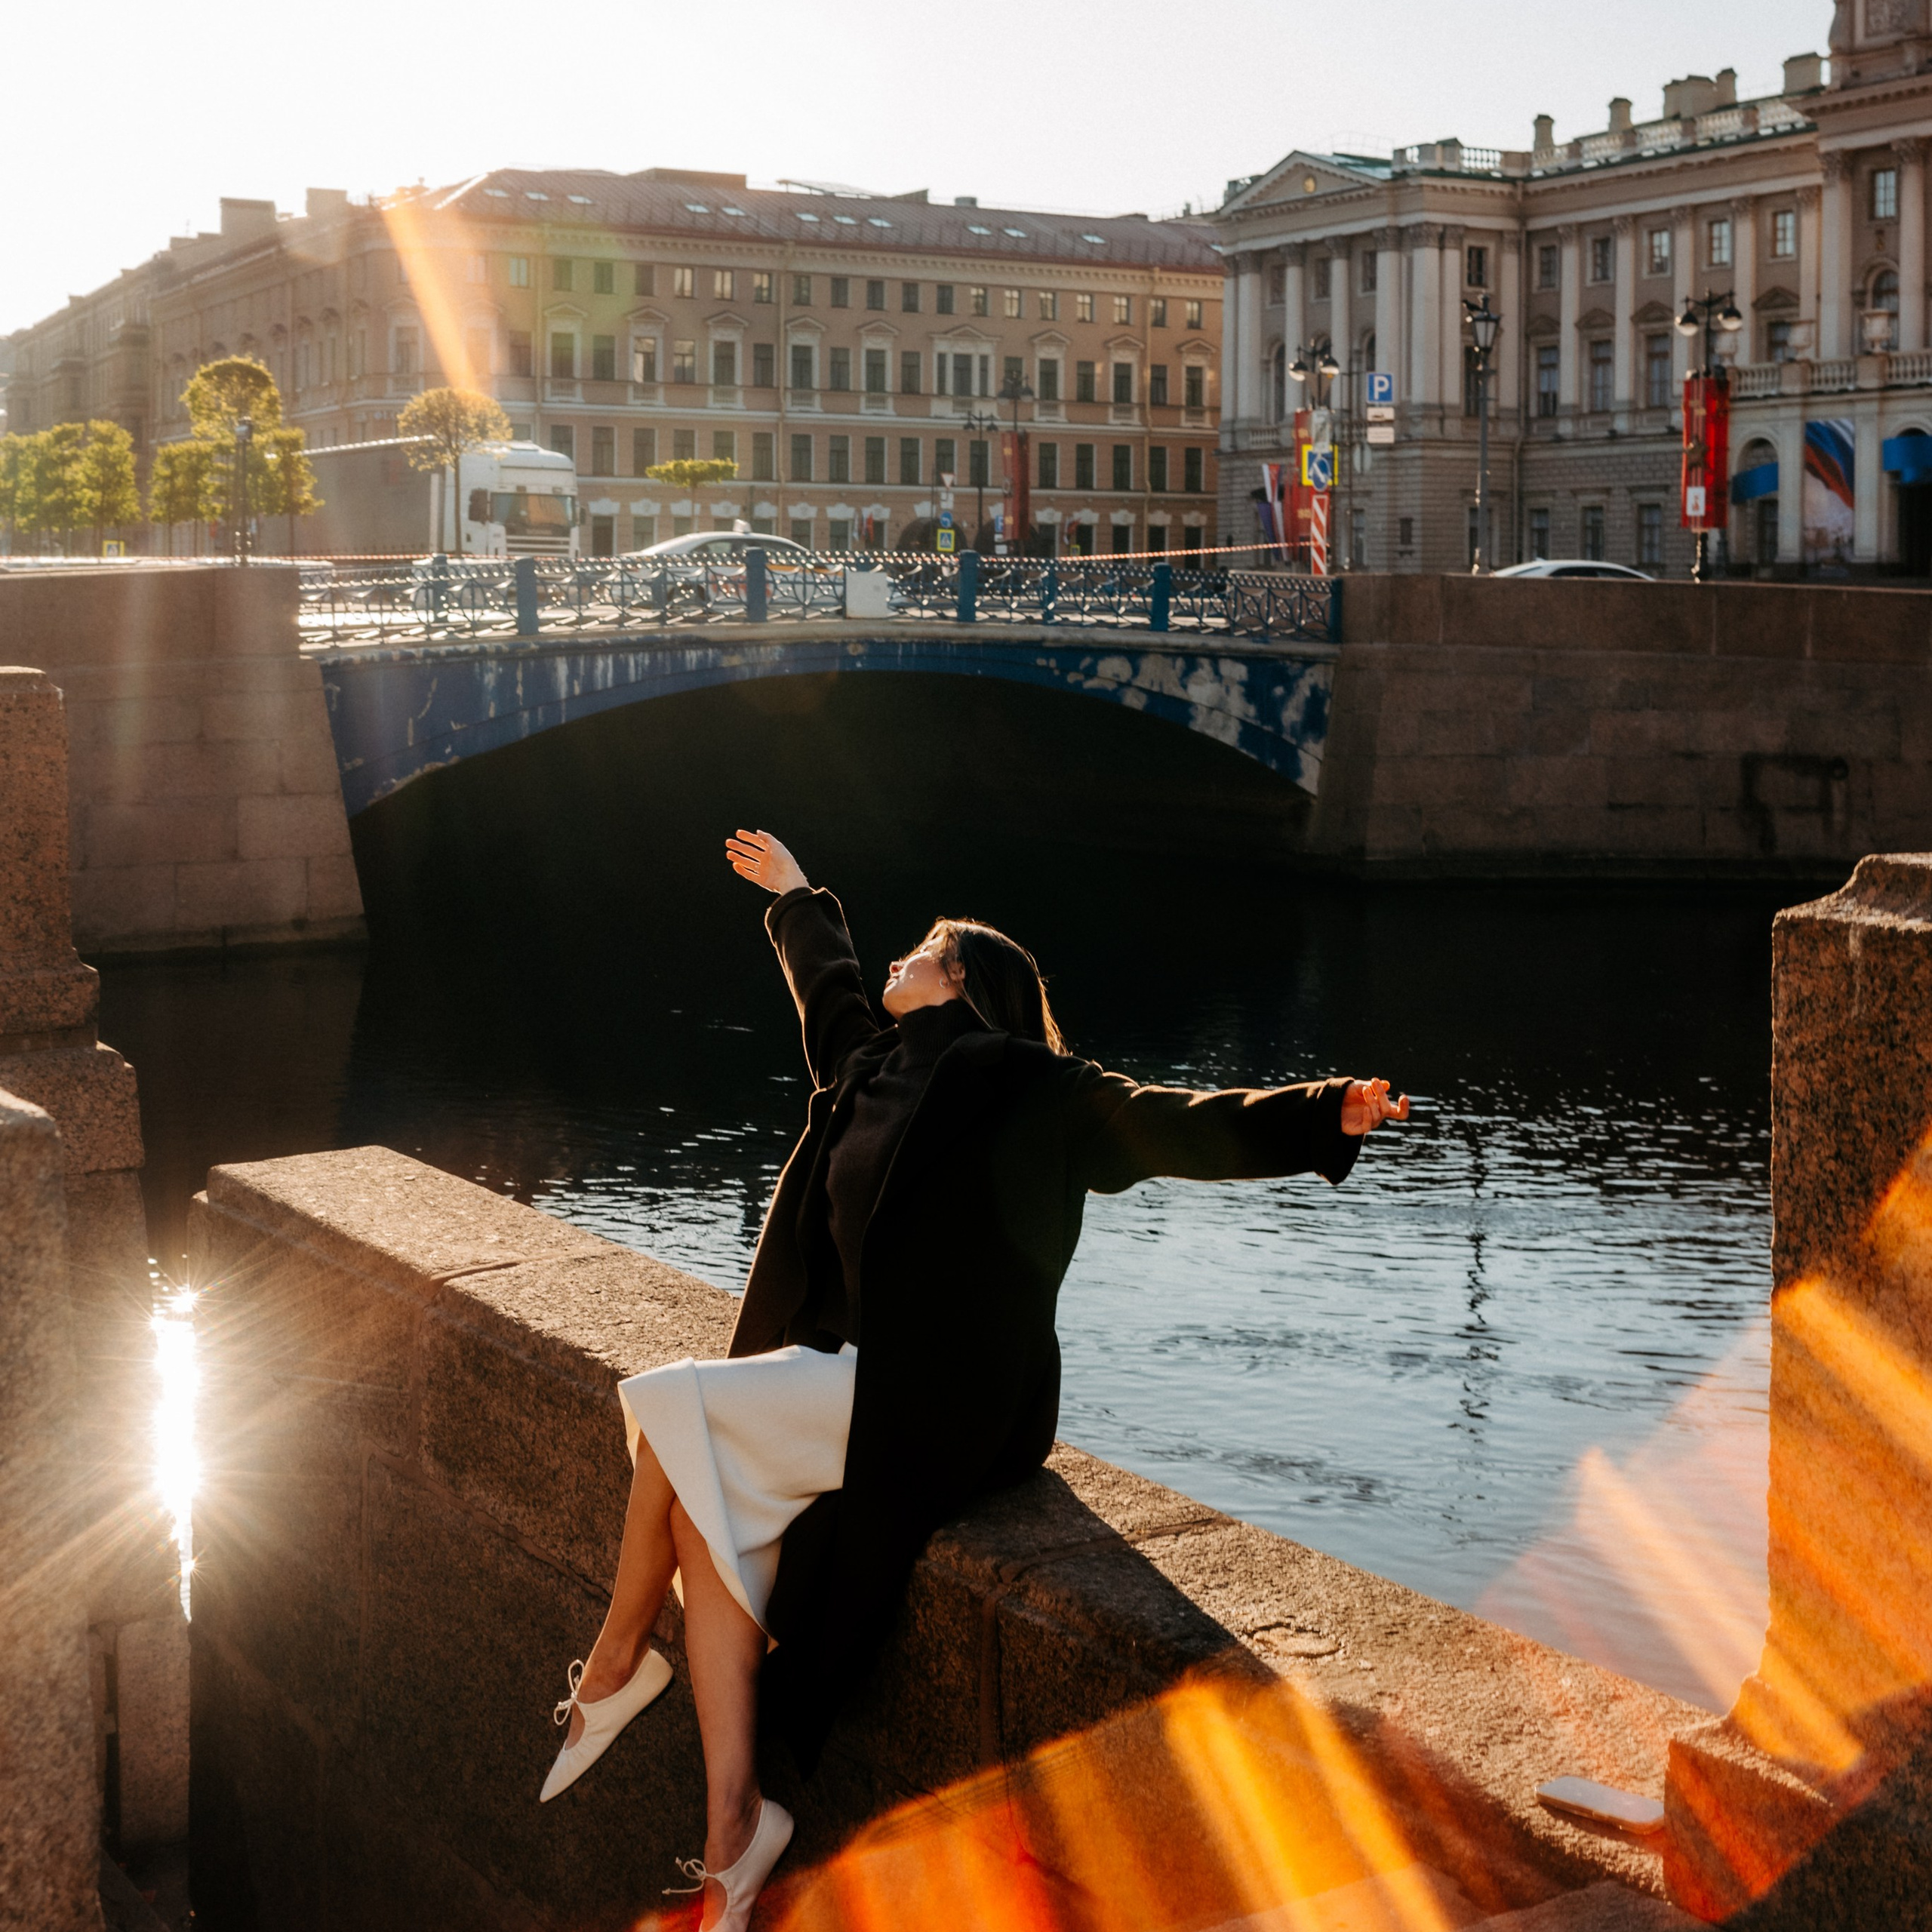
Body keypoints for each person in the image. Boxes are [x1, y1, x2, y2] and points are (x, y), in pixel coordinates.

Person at [538, 830, 1410, 1931]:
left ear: (958, 976)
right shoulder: (869, 1068)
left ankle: (617, 1662)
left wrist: (1323, 1109)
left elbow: (1166, 1120)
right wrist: (801, 896)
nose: (898, 960)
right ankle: (735, 1832)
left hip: (936, 1397)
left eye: (921, 950)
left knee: (668, 1415)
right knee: (707, 1533)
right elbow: (829, 990)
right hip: (842, 1376)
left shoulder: (1022, 1084)